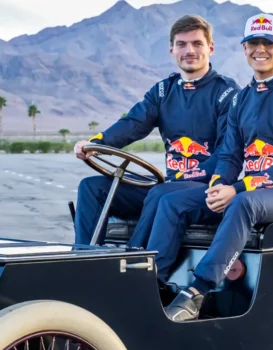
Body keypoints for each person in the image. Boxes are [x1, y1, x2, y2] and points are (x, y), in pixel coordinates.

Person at [147, 13, 273, 322]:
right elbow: (229, 155)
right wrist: (217, 185)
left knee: (242, 203)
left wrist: (237, 188)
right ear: (244, 49)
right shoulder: (241, 99)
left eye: (268, 43)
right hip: (254, 191)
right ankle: (151, 286)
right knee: (171, 202)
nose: (260, 50)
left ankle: (196, 292)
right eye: (253, 43)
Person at [72, 15, 238, 247]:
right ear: (172, 49)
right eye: (181, 44)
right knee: (92, 187)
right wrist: (97, 143)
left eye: (197, 43)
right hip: (168, 187)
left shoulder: (227, 94)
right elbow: (133, 123)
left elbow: (225, 155)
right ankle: (84, 259)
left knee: (161, 194)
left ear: (210, 48)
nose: (189, 50)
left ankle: (135, 262)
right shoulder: (162, 91)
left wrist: (182, 178)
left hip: (207, 191)